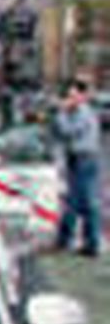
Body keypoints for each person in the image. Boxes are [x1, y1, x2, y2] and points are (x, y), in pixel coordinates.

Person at [53, 74, 103, 257]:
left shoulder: (82, 113)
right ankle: (83, 242)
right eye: (68, 96)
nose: (69, 100)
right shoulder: (78, 112)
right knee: (80, 202)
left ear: (82, 96)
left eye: (72, 96)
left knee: (82, 203)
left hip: (84, 160)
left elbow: (67, 132)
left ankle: (82, 242)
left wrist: (61, 112)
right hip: (79, 159)